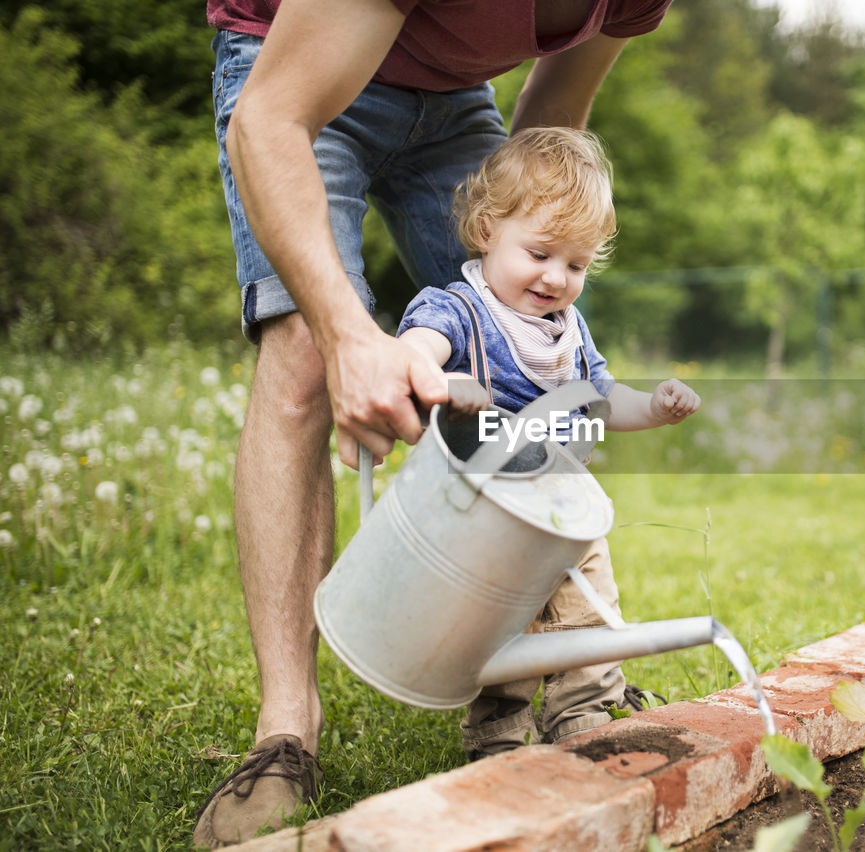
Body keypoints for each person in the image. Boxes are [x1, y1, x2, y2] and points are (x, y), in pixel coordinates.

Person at [196, 0, 674, 847]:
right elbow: (269, 118)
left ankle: (579, 682)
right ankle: (284, 733)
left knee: (530, 366)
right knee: (306, 349)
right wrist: (353, 338)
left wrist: (534, 314)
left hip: (454, 99)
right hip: (294, 74)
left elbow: (550, 130)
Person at [397, 126, 699, 759]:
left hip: (565, 505)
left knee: (589, 604)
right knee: (500, 616)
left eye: (577, 264)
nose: (557, 277)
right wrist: (444, 381)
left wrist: (653, 408)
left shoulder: (567, 329)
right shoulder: (460, 311)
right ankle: (500, 729)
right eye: (540, 254)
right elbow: (416, 352)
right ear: (486, 231)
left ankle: (587, 710)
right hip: (486, 509)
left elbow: (601, 397)